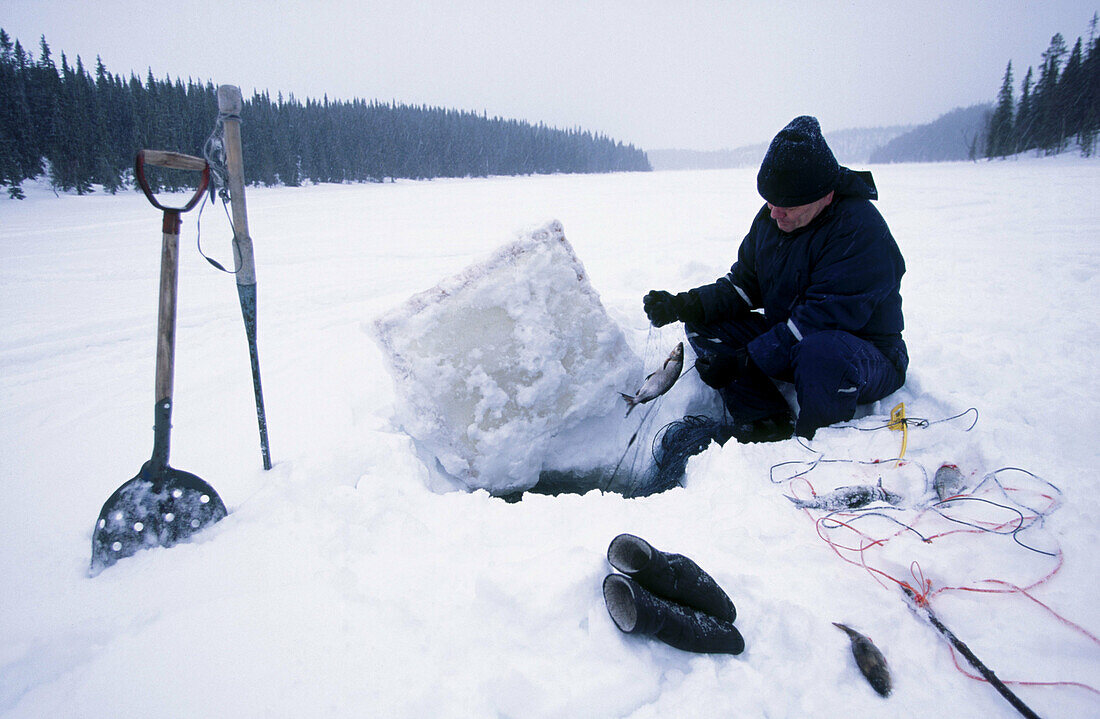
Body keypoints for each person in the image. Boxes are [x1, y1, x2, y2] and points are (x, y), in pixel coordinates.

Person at [644, 116, 907, 442]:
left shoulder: (860, 231)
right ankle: (766, 423)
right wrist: (684, 304)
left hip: (862, 357)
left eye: (785, 205)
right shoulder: (773, 219)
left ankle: (816, 444)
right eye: (769, 201)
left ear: (824, 195)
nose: (773, 212)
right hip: (797, 344)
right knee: (706, 324)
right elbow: (742, 288)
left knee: (821, 353)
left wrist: (743, 361)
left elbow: (819, 322)